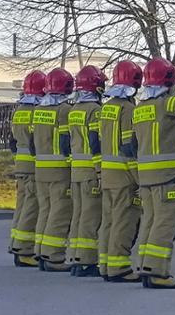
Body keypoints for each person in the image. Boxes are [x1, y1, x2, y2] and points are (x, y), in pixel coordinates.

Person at [131, 58, 175, 289]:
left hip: (146, 177)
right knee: (165, 223)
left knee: (150, 222)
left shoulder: (140, 109)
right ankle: (157, 272)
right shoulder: (166, 104)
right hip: (166, 176)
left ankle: (144, 266)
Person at [96, 61, 143, 282]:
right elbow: (128, 147)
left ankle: (105, 264)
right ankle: (119, 267)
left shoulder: (106, 108)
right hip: (124, 176)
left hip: (107, 174)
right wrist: (139, 179)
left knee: (108, 221)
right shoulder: (128, 109)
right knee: (124, 221)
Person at [64, 66, 107, 277]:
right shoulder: (95, 111)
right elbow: (95, 141)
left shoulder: (74, 111)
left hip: (76, 172)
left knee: (78, 215)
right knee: (90, 217)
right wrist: (100, 171)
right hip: (90, 171)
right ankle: (87, 261)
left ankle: (74, 257)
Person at [32, 68, 76, 272]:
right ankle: (53, 256)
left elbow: (33, 144)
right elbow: (66, 141)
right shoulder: (65, 110)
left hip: (40, 169)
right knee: (60, 213)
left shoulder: (39, 110)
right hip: (60, 169)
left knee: (45, 210)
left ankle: (40, 251)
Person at [8, 71, 46, 266]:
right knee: (32, 208)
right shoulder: (36, 112)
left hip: (20, 166)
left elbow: (12, 142)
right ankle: (24, 250)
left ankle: (16, 244)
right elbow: (35, 142)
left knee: (22, 206)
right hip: (33, 167)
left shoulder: (19, 110)